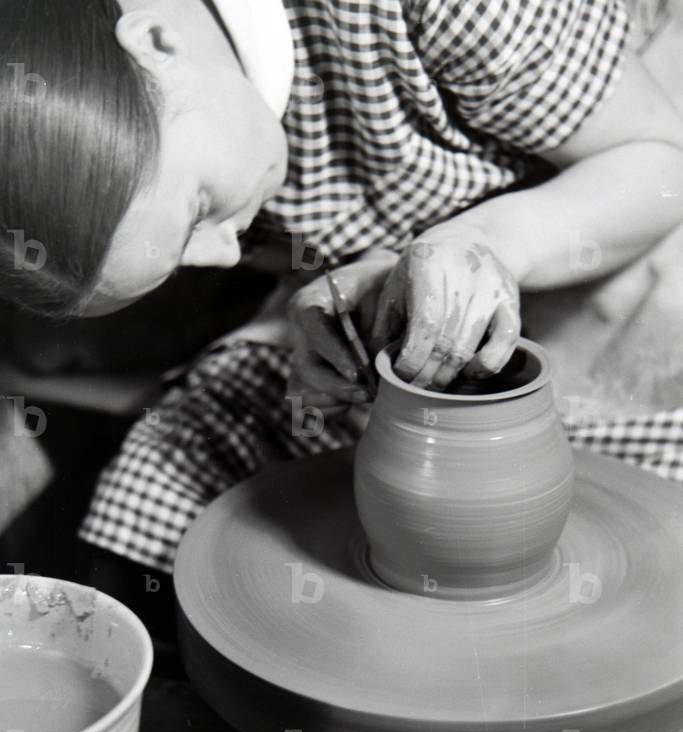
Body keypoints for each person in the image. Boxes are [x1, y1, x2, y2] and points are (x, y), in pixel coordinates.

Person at [1, 0, 682, 573]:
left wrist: (487, 244)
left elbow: (658, 162)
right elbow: (340, 240)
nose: (228, 249)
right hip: (451, 241)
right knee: (164, 502)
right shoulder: (202, 121)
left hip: (626, 184)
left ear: (157, 41)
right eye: (181, 258)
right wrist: (348, 291)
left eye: (199, 213)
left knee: (625, 537)